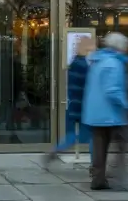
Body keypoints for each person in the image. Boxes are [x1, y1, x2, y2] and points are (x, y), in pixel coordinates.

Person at [82, 32, 128, 191]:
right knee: (122, 144)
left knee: (99, 147)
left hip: (95, 113)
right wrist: (127, 106)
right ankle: (118, 174)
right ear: (120, 47)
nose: (126, 50)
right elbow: (113, 91)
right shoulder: (114, 63)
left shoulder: (98, 60)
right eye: (125, 46)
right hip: (111, 114)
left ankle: (98, 179)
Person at [42, 36, 95, 170]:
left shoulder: (74, 62)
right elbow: (88, 86)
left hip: (73, 105)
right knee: (93, 136)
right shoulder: (83, 65)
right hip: (83, 106)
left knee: (72, 135)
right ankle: (97, 165)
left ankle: (55, 150)